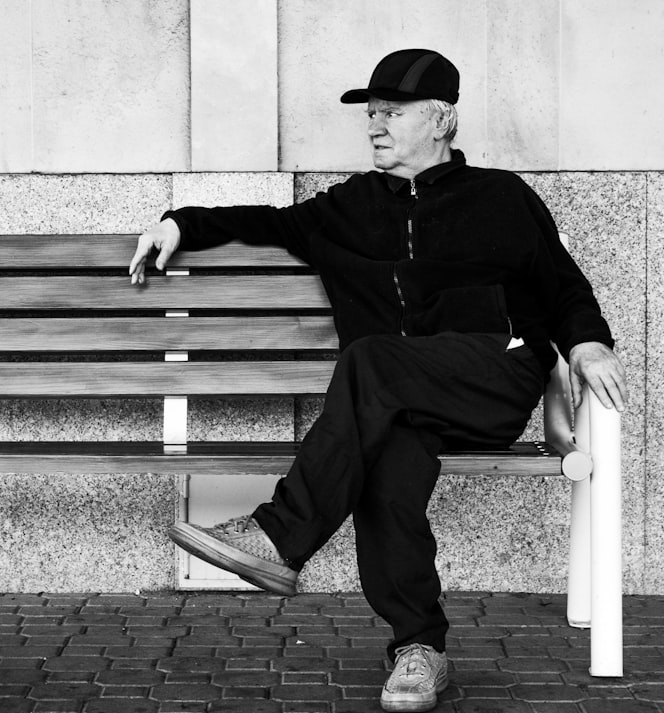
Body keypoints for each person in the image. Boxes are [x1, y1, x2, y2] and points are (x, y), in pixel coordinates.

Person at [128, 49, 628, 713]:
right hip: (396, 398)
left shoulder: (502, 198)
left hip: (496, 372)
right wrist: (178, 221)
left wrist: (589, 343)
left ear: (443, 118)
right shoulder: (348, 208)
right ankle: (420, 646)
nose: (375, 125)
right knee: (388, 454)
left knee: (370, 359)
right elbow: (261, 221)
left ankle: (280, 536)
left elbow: (562, 287)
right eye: (371, 113)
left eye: (392, 111)